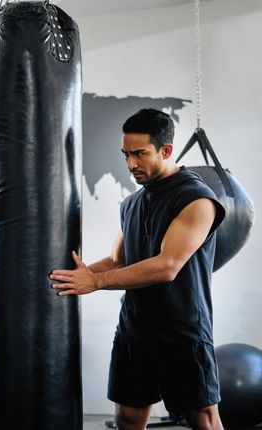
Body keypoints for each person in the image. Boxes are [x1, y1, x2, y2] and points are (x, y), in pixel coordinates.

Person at [49, 108, 226, 430]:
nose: (131, 164)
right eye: (126, 154)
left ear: (166, 150)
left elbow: (167, 266)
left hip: (182, 328)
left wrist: (96, 281)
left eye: (140, 154)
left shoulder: (196, 200)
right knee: (128, 416)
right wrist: (72, 275)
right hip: (135, 326)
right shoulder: (131, 203)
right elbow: (118, 260)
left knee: (201, 417)